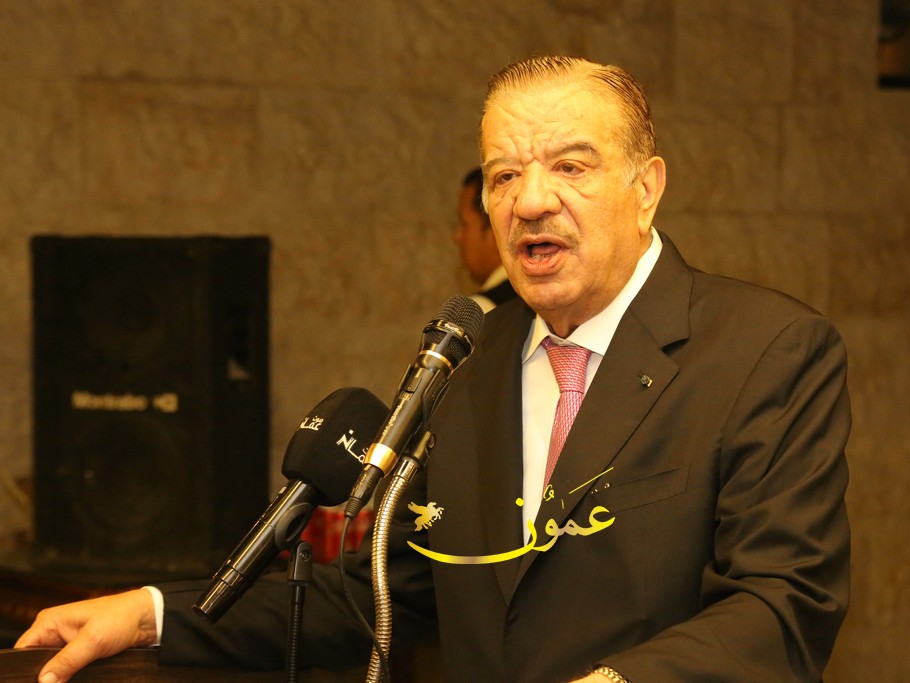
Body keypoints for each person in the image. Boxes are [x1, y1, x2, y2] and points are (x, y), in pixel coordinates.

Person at [17, 55, 851, 682]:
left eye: (570, 166)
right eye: (504, 174)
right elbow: (385, 590)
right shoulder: (470, 362)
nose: (530, 201)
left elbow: (783, 605)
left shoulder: (766, 350)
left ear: (646, 188)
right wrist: (151, 614)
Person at [453, 167, 517, 312]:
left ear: (496, 230)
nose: (457, 236)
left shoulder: (476, 313)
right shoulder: (548, 302)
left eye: (464, 223)